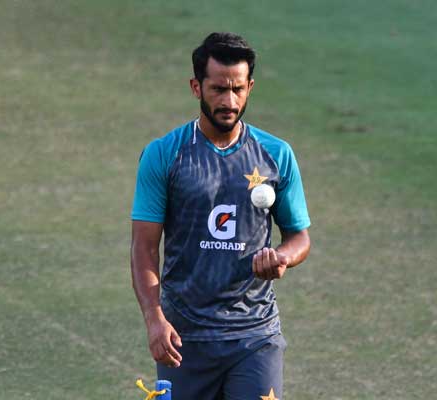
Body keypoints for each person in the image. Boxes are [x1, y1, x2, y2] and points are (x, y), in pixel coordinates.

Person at [131, 32, 311, 400]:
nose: (229, 101)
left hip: (254, 335)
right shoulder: (164, 155)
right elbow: (144, 248)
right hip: (183, 337)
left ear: (250, 87)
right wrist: (154, 319)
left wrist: (282, 258)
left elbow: (299, 236)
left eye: (238, 89)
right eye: (218, 89)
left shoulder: (276, 154)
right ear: (196, 87)